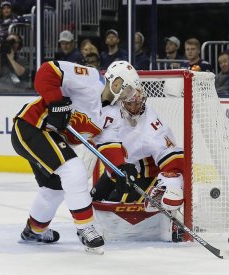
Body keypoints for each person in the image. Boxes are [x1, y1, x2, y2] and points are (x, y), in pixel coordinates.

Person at [10, 60, 142, 253]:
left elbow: (109, 145)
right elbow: (47, 72)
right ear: (116, 83)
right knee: (74, 170)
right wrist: (56, 103)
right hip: (32, 126)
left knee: (54, 188)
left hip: (51, 137)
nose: (128, 96)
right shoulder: (89, 79)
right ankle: (85, 227)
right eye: (128, 90)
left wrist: (120, 168)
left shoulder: (113, 114)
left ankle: (34, 230)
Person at [91, 87, 184, 210]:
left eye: (138, 102)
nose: (134, 107)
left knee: (117, 208)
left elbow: (169, 154)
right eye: (130, 103)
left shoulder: (151, 123)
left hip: (145, 175)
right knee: (93, 202)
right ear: (122, 100)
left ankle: (168, 223)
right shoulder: (113, 111)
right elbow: (101, 136)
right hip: (118, 170)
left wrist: (172, 184)